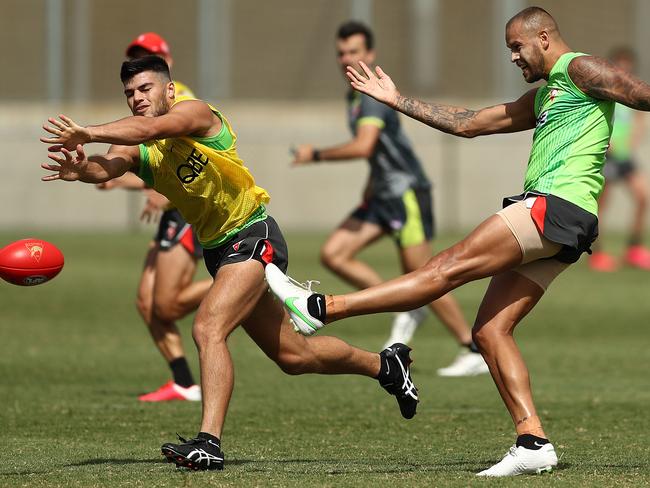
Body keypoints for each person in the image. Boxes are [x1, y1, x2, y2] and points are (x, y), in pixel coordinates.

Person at [265, 6, 650, 477]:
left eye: (517, 47)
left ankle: (322, 308)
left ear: (544, 38)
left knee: (443, 268)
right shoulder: (549, 92)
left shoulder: (579, 68)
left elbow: (641, 94)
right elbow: (469, 123)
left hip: (555, 206)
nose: (512, 57)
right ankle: (532, 441)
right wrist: (396, 100)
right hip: (569, 221)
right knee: (489, 331)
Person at [40, 55, 420, 471]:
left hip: (254, 234)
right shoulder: (138, 143)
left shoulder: (195, 113)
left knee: (207, 327)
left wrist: (88, 130)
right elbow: (112, 166)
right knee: (295, 358)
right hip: (219, 251)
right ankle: (386, 365)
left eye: (145, 89)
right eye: (130, 93)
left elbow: (150, 128)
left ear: (169, 89)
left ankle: (209, 443)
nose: (137, 99)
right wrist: (83, 170)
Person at [291, 21, 487, 376]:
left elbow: (364, 145)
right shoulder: (354, 94)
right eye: (341, 52)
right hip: (383, 194)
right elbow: (378, 153)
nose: (345, 58)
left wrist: (315, 155)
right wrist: (371, 185)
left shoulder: (371, 99)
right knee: (334, 253)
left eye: (353, 51)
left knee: (428, 275)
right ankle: (406, 305)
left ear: (370, 54)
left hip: (405, 195)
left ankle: (471, 348)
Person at [96, 32, 212, 402]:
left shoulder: (183, 98)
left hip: (188, 210)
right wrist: (103, 173)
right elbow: (138, 159)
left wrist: (89, 134)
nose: (138, 93)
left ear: (167, 65)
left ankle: (246, 279)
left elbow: (184, 158)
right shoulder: (143, 102)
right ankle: (183, 381)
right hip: (171, 210)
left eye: (149, 56)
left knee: (166, 304)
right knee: (146, 303)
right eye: (136, 57)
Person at [589, 47, 650, 271]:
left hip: (625, 156)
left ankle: (634, 249)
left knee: (643, 196)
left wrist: (636, 136)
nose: (625, 68)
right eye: (620, 64)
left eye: (628, 65)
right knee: (602, 205)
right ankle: (598, 253)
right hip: (608, 155)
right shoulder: (604, 90)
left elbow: (639, 115)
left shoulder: (630, 91)